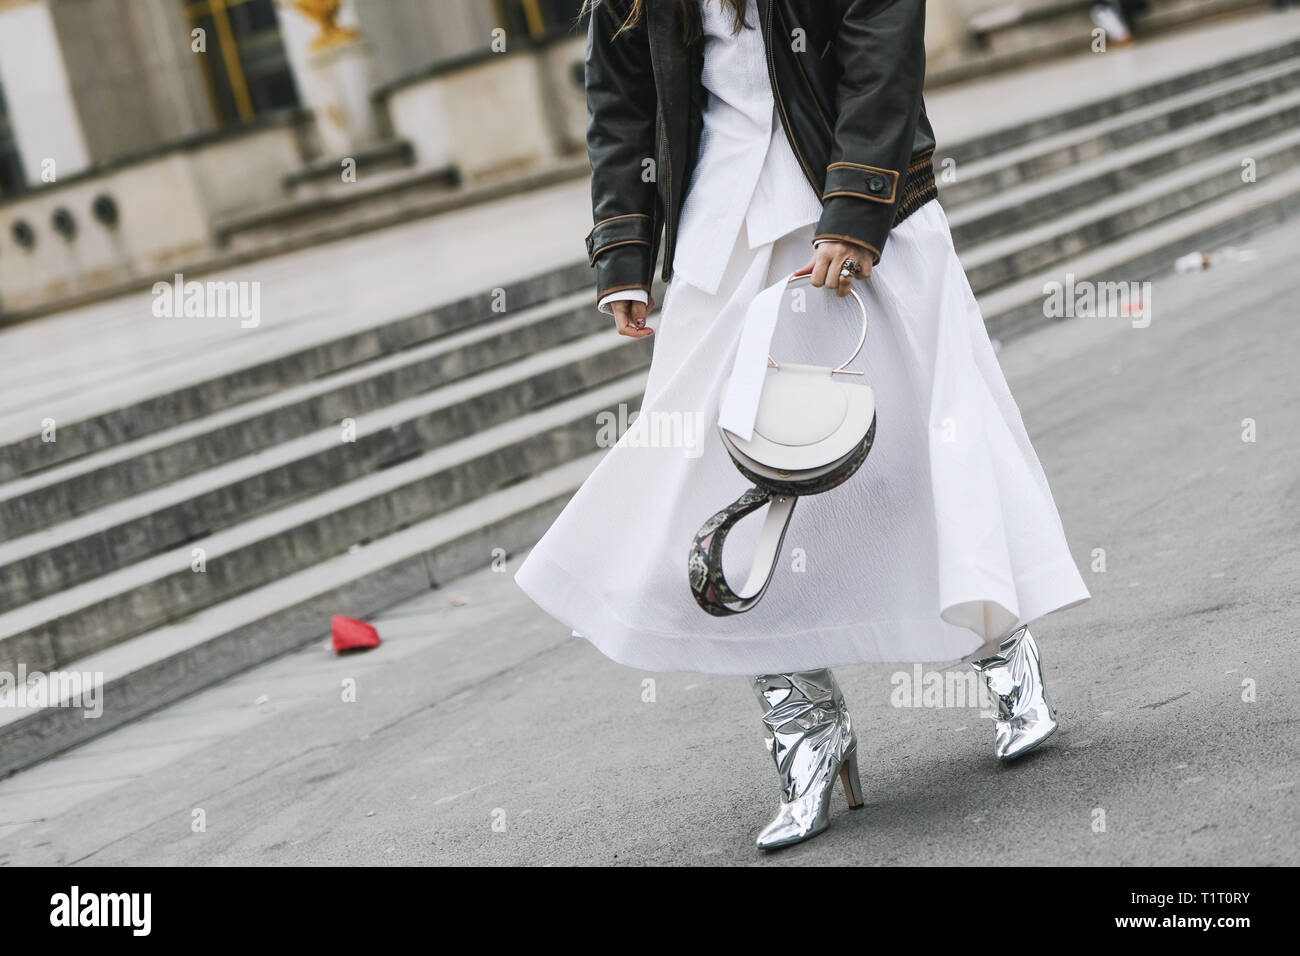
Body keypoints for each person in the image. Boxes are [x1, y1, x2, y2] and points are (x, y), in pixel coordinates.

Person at [514, 0, 1091, 850]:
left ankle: (1007, 663)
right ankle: (808, 731)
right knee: (719, 493)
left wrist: (855, 209)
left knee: (923, 452)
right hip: (721, 241)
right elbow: (619, 103)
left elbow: (882, 55)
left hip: (862, 209)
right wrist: (624, 249)